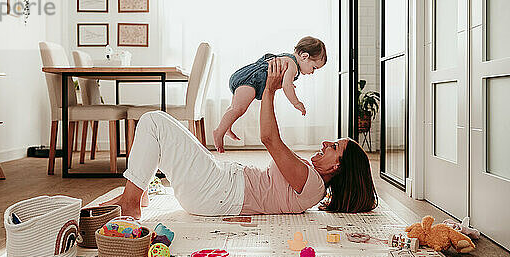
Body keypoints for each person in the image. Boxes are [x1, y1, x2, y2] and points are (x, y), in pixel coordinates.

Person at [103, 58, 377, 219]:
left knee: (154, 121)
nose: (326, 143)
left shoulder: (313, 185)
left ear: (336, 166)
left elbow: (269, 138)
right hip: (219, 186)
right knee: (165, 134)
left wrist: (269, 90)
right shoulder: (311, 178)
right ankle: (137, 195)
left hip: (217, 192)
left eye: (334, 147)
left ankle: (131, 204)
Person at [212, 36, 327, 153]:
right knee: (239, 109)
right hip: (250, 80)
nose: (312, 72)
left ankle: (226, 127)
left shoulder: (287, 58)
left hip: (245, 77)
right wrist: (296, 102)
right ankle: (218, 132)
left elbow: (286, 83)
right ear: (304, 56)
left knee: (235, 108)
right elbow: (287, 86)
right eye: (314, 68)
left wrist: (289, 84)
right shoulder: (292, 65)